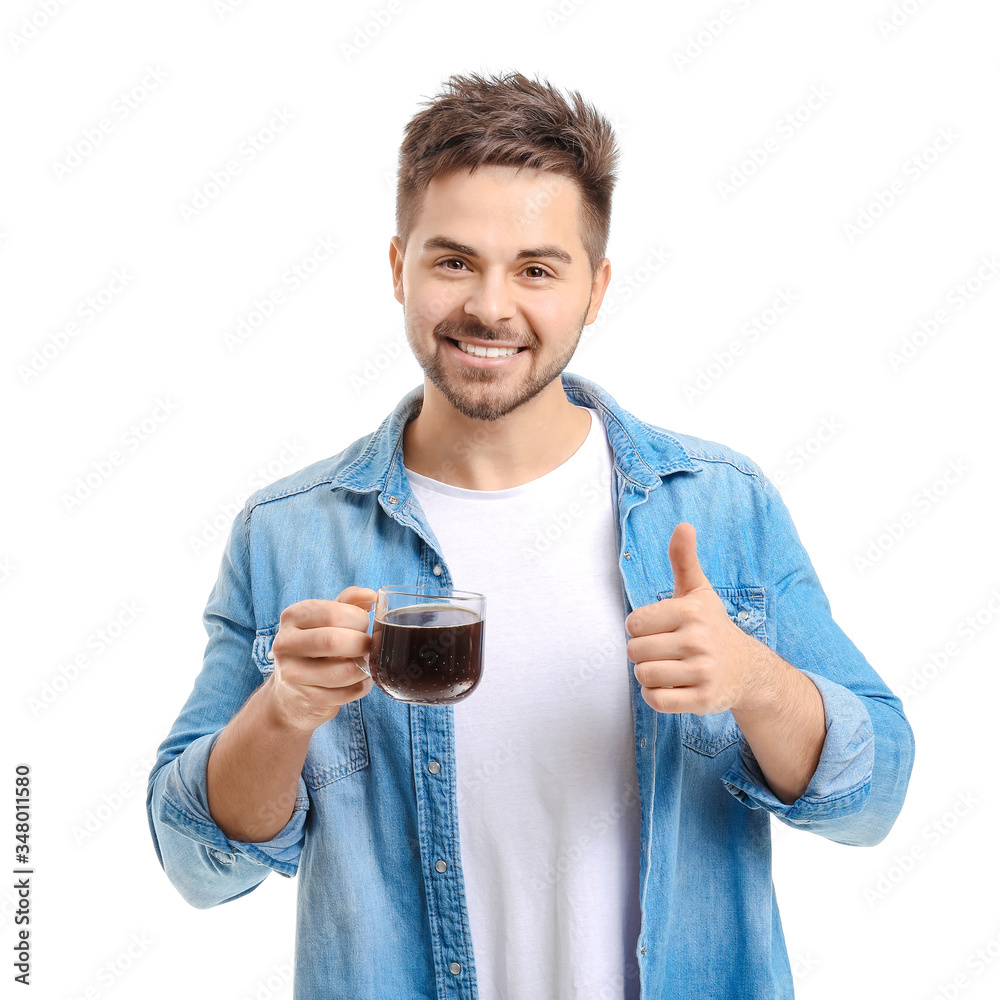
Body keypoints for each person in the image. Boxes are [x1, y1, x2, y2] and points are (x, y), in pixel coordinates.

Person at [146, 71, 915, 1000]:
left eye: (537, 269)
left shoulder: (719, 505)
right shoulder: (287, 534)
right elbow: (196, 865)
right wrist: (284, 712)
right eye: (454, 261)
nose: (490, 307)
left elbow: (873, 802)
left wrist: (754, 679)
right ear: (399, 268)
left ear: (595, 288)